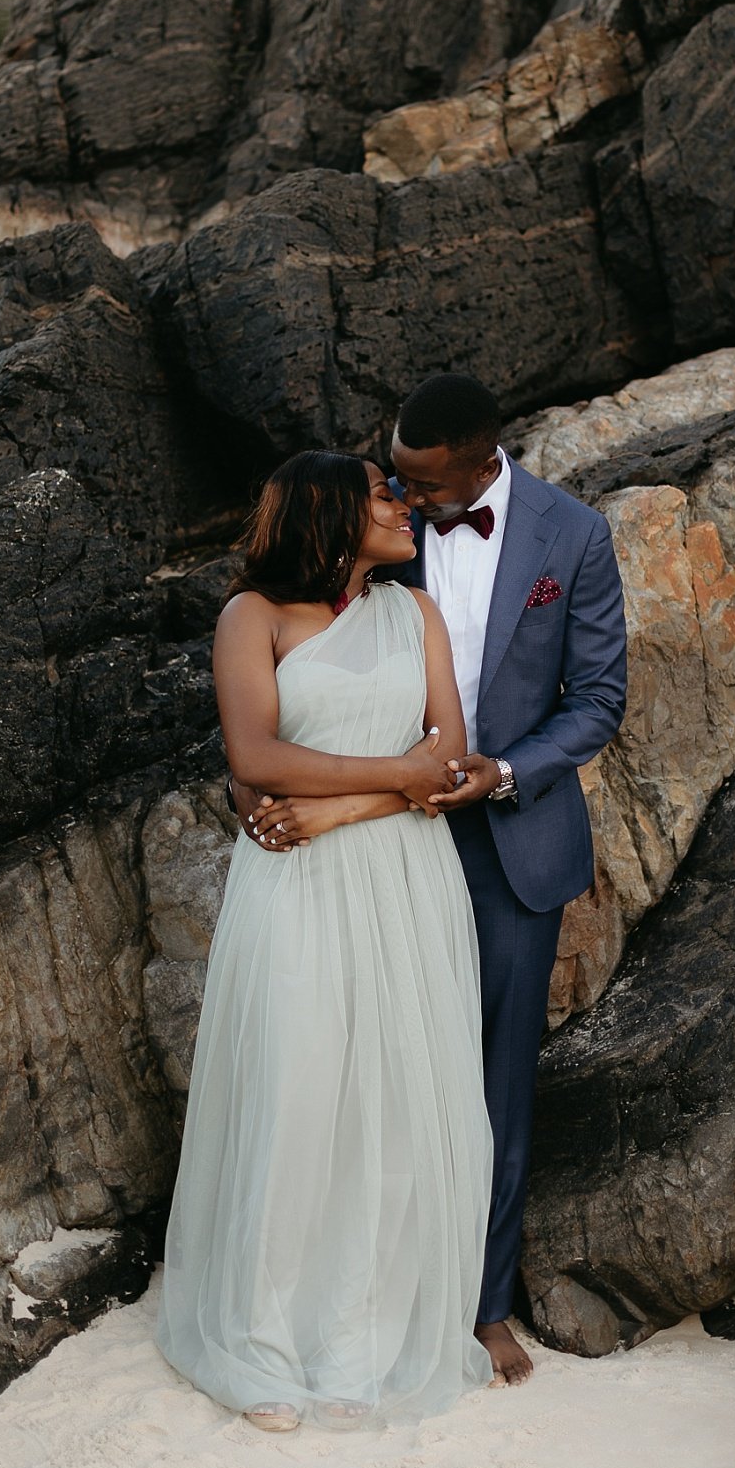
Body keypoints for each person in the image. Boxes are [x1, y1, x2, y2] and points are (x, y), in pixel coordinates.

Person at [244, 376, 628, 1386]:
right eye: (394, 481)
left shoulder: (573, 535)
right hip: (376, 843)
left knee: (493, 1079)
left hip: (507, 835)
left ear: (478, 456)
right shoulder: (370, 536)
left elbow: (596, 699)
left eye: (420, 482)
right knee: (362, 1067)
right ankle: (357, 1294)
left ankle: (482, 1302)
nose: (404, 500)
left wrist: (502, 771)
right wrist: (270, 788)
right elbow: (288, 667)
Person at [155, 450, 496, 1432]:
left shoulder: (415, 613)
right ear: (328, 510)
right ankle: (259, 1343)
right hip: (294, 886)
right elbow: (255, 755)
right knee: (299, 1093)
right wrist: (393, 772)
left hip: (401, 873)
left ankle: (355, 1337)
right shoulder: (252, 616)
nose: (403, 505)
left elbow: (452, 761)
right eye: (384, 493)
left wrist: (344, 804)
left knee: (393, 1098)